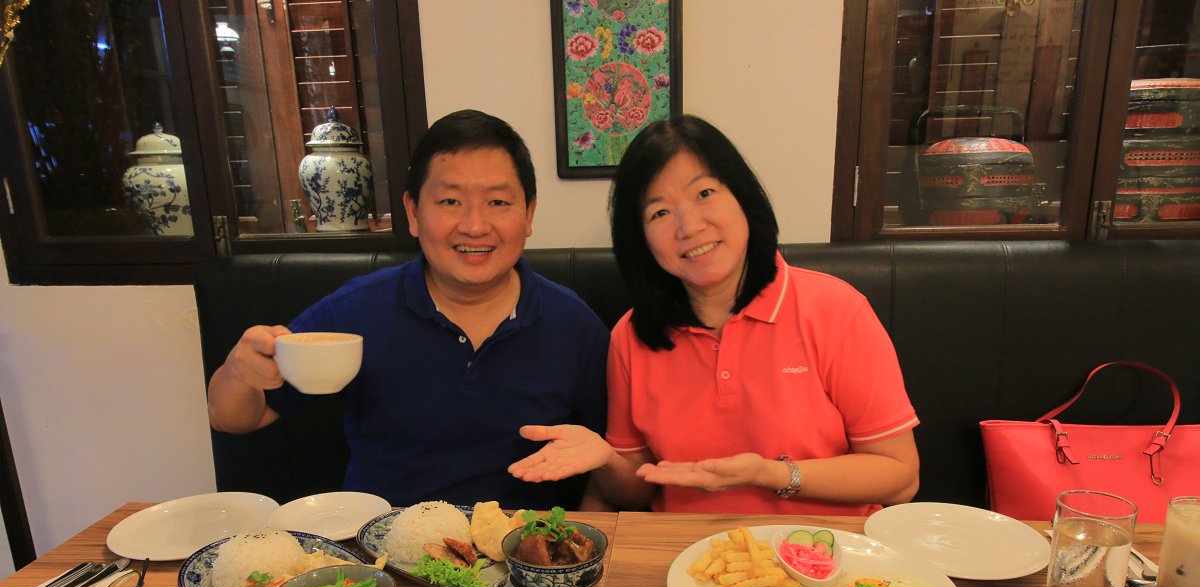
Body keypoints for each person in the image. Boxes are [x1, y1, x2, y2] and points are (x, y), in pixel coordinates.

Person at [509, 114, 919, 515]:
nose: (689, 225)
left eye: (704, 193)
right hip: (684, 565)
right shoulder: (632, 335)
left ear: (743, 196)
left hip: (825, 562)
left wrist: (769, 474)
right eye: (660, 213)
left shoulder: (834, 309)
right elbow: (633, 492)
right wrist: (605, 460)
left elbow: (900, 476)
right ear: (641, 240)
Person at [207, 110, 609, 509]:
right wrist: (240, 371)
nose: (474, 225)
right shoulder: (358, 309)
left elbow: (613, 457)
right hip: (380, 550)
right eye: (450, 200)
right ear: (414, 213)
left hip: (516, 550)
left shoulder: (572, 324)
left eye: (497, 201)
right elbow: (234, 418)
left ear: (529, 214)